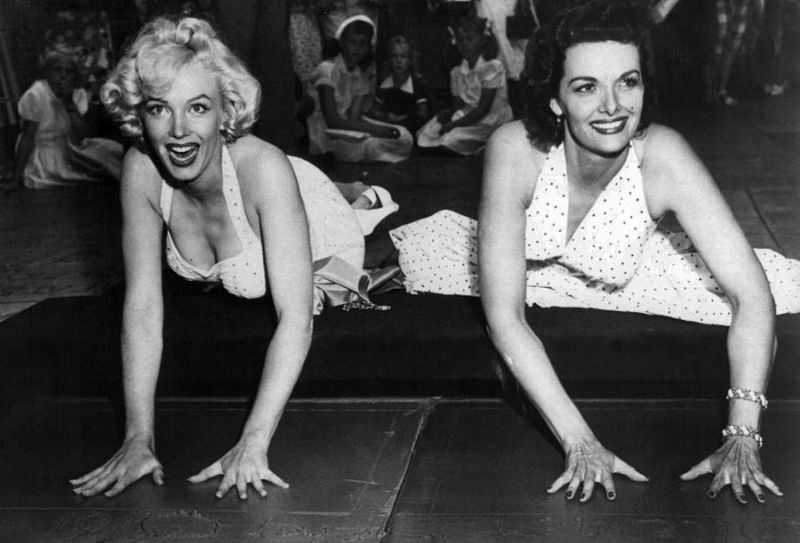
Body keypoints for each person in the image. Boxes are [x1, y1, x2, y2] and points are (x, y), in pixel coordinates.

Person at [389, 0, 799, 502]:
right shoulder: (514, 149)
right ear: (555, 100)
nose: (613, 106)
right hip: (517, 267)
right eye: (586, 87)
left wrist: (743, 434)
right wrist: (580, 442)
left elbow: (752, 298)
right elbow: (505, 317)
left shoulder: (664, 154)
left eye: (628, 82)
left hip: (635, 274)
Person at [69, 16, 395, 500]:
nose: (179, 130)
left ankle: (364, 196)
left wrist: (253, 442)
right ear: (140, 114)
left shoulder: (263, 166)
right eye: (160, 108)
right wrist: (138, 439)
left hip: (310, 214)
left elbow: (295, 316)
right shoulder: (140, 168)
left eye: (198, 107)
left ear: (225, 111)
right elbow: (141, 307)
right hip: (258, 207)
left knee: (335, 247)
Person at [13, 43, 123, 189]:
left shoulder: (73, 93)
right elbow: (27, 138)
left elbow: (85, 134)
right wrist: (16, 177)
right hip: (44, 154)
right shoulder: (36, 94)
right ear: (46, 72)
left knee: (113, 149)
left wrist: (69, 103)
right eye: (57, 70)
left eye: (69, 71)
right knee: (98, 171)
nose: (63, 75)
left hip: (66, 147)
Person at [308, 15, 413, 163]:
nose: (357, 49)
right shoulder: (327, 69)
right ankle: (379, 155)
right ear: (342, 43)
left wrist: (382, 130)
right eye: (353, 42)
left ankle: (381, 155)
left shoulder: (359, 75)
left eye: (363, 44)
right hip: (326, 134)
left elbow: (354, 117)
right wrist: (376, 131)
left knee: (404, 136)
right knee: (371, 145)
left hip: (349, 130)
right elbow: (332, 121)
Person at [416, 10, 513, 156]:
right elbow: (458, 104)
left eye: (469, 39)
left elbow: (483, 109)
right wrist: (449, 115)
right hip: (468, 115)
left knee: (450, 138)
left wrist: (454, 124)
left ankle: (476, 146)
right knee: (427, 132)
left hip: (490, 120)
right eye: (460, 40)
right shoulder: (457, 72)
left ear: (481, 40)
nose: (464, 44)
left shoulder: (492, 67)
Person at [367, 35, 431, 134]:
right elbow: (374, 110)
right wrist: (385, 116)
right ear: (390, 59)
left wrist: (402, 118)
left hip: (411, 129)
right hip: (389, 127)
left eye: (403, 56)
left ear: (410, 60)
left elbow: (423, 113)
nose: (398, 61)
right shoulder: (385, 84)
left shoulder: (417, 84)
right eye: (395, 56)